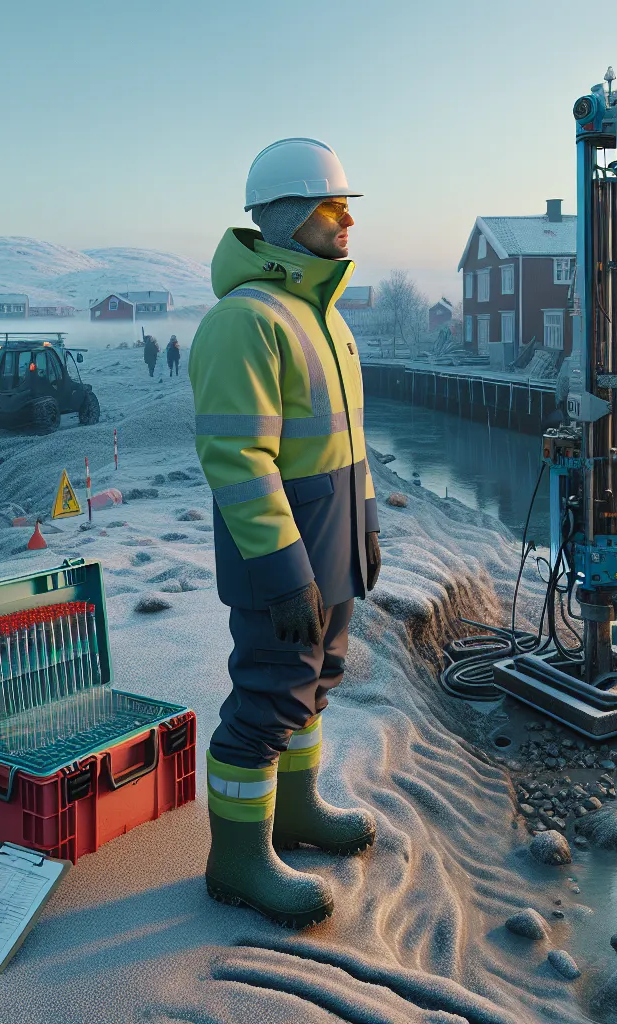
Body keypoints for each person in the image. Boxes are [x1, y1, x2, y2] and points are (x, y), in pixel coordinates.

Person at [186, 138, 380, 929]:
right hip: (284, 561)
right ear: (294, 218)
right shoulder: (246, 321)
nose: (347, 222)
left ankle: (295, 814)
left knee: (315, 683)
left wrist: (363, 538)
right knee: (268, 697)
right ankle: (236, 860)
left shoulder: (319, 315)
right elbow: (237, 459)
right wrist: (283, 568)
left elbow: (342, 445)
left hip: (331, 550)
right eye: (335, 207)